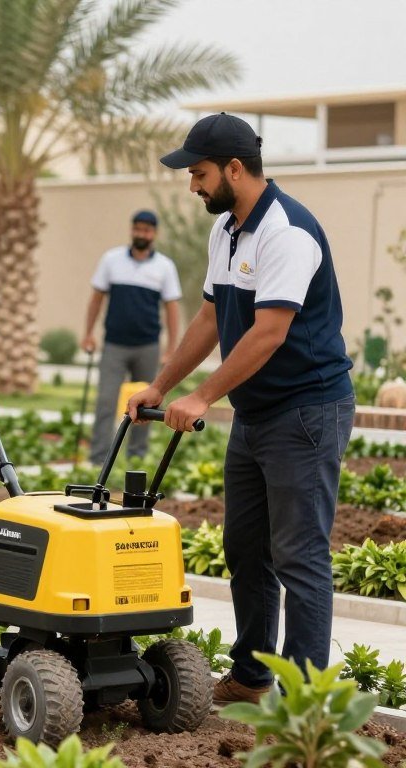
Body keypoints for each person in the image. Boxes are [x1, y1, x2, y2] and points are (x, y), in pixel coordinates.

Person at [127, 113, 355, 705]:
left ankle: (305, 703)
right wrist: (162, 385)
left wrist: (203, 396)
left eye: (199, 174)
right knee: (246, 549)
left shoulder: (287, 232)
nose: (192, 186)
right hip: (257, 414)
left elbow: (268, 333)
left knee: (300, 556)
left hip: (306, 411)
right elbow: (210, 317)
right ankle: (253, 678)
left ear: (234, 169)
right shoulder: (227, 230)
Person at [81, 210, 181, 464]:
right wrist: (88, 333)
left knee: (146, 406)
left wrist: (171, 348)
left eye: (146, 230)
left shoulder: (165, 267)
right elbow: (96, 299)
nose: (141, 234)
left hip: (148, 346)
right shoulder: (111, 260)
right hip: (114, 345)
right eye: (137, 229)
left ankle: (136, 459)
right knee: (105, 402)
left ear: (154, 234)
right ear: (132, 230)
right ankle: (98, 459)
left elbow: (172, 309)